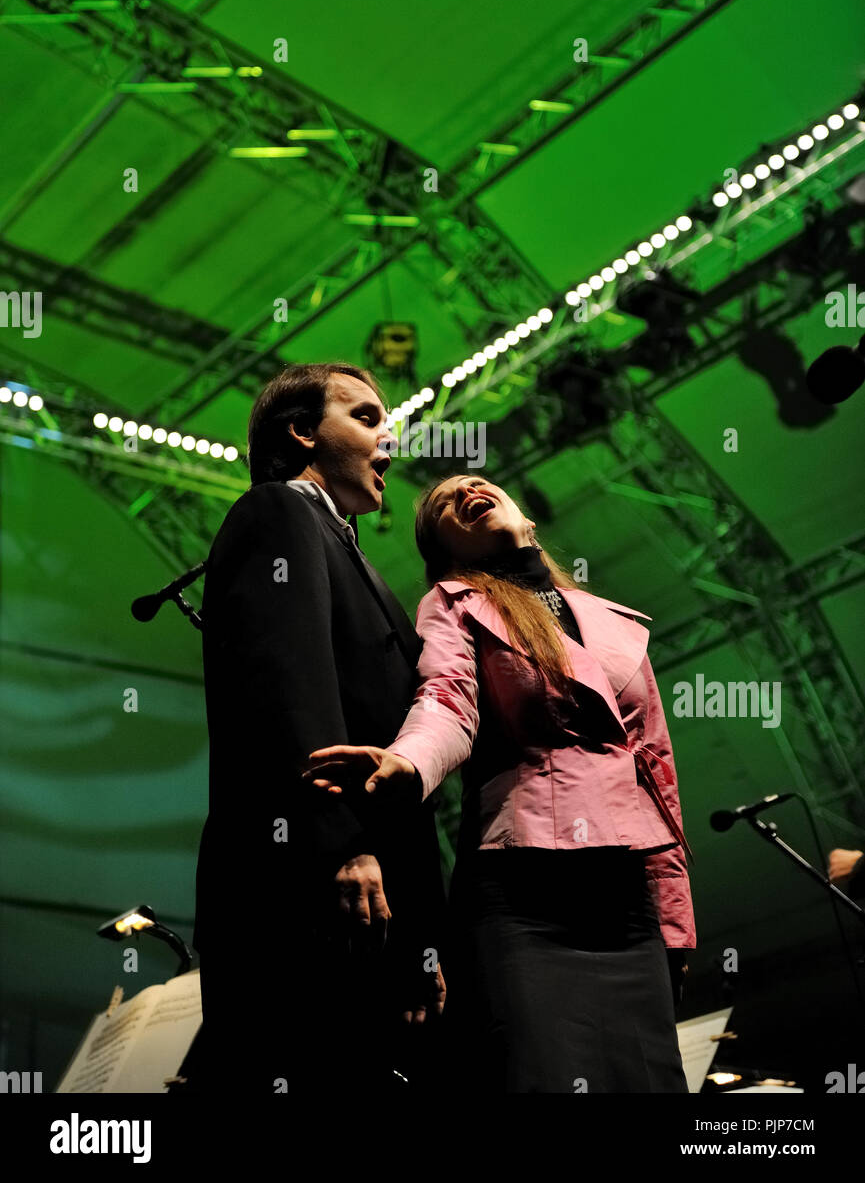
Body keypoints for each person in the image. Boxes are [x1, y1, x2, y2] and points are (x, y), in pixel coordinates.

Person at [305, 473, 696, 1093]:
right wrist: (407, 763)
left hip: (628, 901)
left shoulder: (612, 621)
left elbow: (658, 774)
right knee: (539, 1074)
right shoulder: (453, 603)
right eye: (443, 504)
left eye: (478, 482)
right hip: (524, 888)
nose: (464, 490)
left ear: (528, 520)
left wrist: (675, 921)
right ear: (445, 552)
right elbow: (446, 702)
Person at [192, 363, 446, 1094]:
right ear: (302, 431)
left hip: (375, 900)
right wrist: (340, 843)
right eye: (366, 418)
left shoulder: (347, 552)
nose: (388, 442)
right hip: (305, 885)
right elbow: (285, 684)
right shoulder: (278, 511)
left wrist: (424, 945)